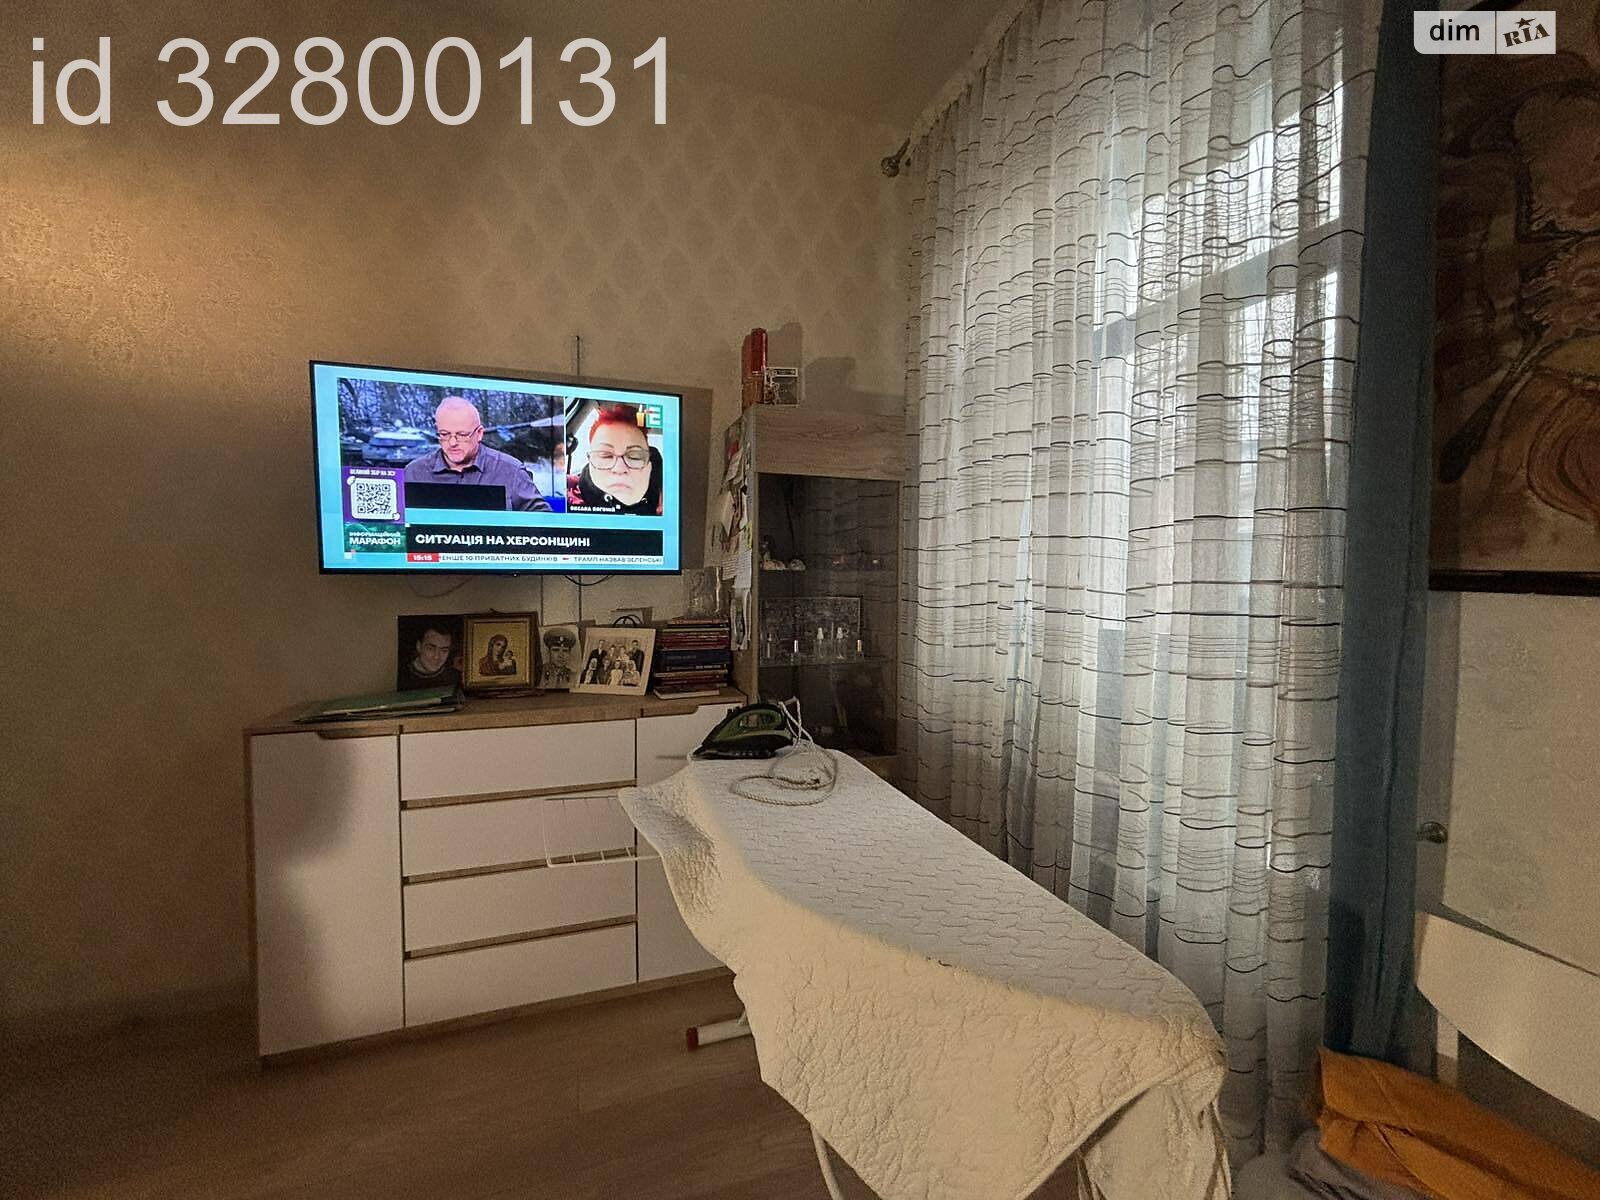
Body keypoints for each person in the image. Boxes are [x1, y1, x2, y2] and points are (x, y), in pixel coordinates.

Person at [404, 396, 552, 512]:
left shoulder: (510, 471)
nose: (452, 442)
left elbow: (544, 522)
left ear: (479, 433)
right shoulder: (414, 473)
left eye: (462, 435)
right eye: (444, 434)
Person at [566, 403, 664, 515]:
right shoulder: (566, 495)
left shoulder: (670, 504)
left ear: (649, 467)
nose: (619, 468)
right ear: (590, 461)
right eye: (606, 456)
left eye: (634, 457)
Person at [398, 621, 460, 690]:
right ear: (419, 646)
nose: (436, 656)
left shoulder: (454, 676)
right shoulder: (400, 675)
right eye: (430, 649)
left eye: (444, 650)